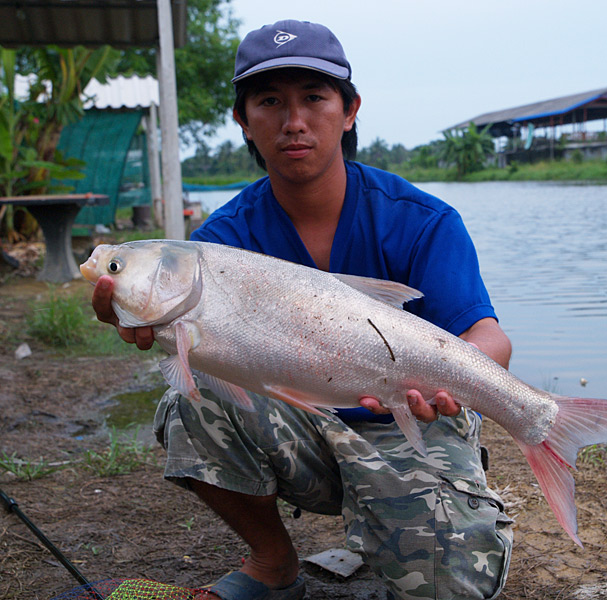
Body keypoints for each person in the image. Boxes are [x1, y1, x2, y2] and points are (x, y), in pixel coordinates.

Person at [92, 20, 513, 600]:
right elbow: (196, 354)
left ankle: (423, 507)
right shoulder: (220, 241)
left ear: (349, 110)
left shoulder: (423, 220)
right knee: (189, 397)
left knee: (450, 590)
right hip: (301, 430)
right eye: (270, 102)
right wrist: (149, 322)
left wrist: (452, 388)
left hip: (411, 427)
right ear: (243, 119)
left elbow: (488, 339)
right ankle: (272, 563)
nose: (294, 122)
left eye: (314, 98)